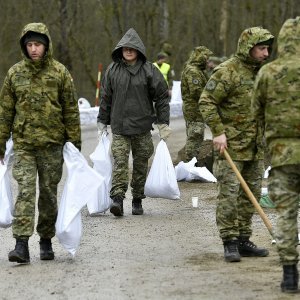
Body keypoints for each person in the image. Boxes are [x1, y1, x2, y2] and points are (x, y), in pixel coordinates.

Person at [0, 23, 81, 264]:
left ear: (46, 46)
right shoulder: (15, 74)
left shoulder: (60, 73)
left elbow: (70, 109)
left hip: (52, 145)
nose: (34, 49)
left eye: (38, 44)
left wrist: (74, 143)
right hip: (24, 144)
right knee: (25, 191)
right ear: (24, 47)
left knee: (47, 194)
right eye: (30, 45)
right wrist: (1, 141)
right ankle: (21, 244)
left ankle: (46, 239)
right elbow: (5, 111)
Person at [199, 26, 274, 263]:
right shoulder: (227, 71)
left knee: (249, 195)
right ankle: (229, 242)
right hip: (230, 148)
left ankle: (243, 239)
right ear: (248, 48)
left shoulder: (262, 73)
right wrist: (218, 132)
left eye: (267, 49)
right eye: (261, 48)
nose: (265, 53)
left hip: (255, 148)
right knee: (229, 196)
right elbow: (206, 101)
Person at [97, 28, 171, 217]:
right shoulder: (112, 70)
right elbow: (106, 97)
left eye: (132, 48)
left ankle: (137, 198)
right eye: (125, 48)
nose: (128, 51)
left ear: (138, 50)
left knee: (140, 164)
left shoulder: (149, 70)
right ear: (120, 50)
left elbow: (161, 96)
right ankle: (118, 200)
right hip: (120, 127)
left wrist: (163, 123)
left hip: (142, 127)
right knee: (120, 163)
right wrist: (102, 121)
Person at [252, 17, 300, 293]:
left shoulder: (269, 73)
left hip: (283, 157)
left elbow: (255, 113)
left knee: (286, 214)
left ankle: (290, 275)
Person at [181, 46, 213, 164]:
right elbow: (196, 91)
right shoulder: (193, 71)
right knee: (195, 135)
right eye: (207, 58)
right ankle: (190, 164)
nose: (208, 61)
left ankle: (193, 162)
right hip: (193, 110)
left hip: (197, 109)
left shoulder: (198, 71)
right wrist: (210, 97)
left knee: (197, 136)